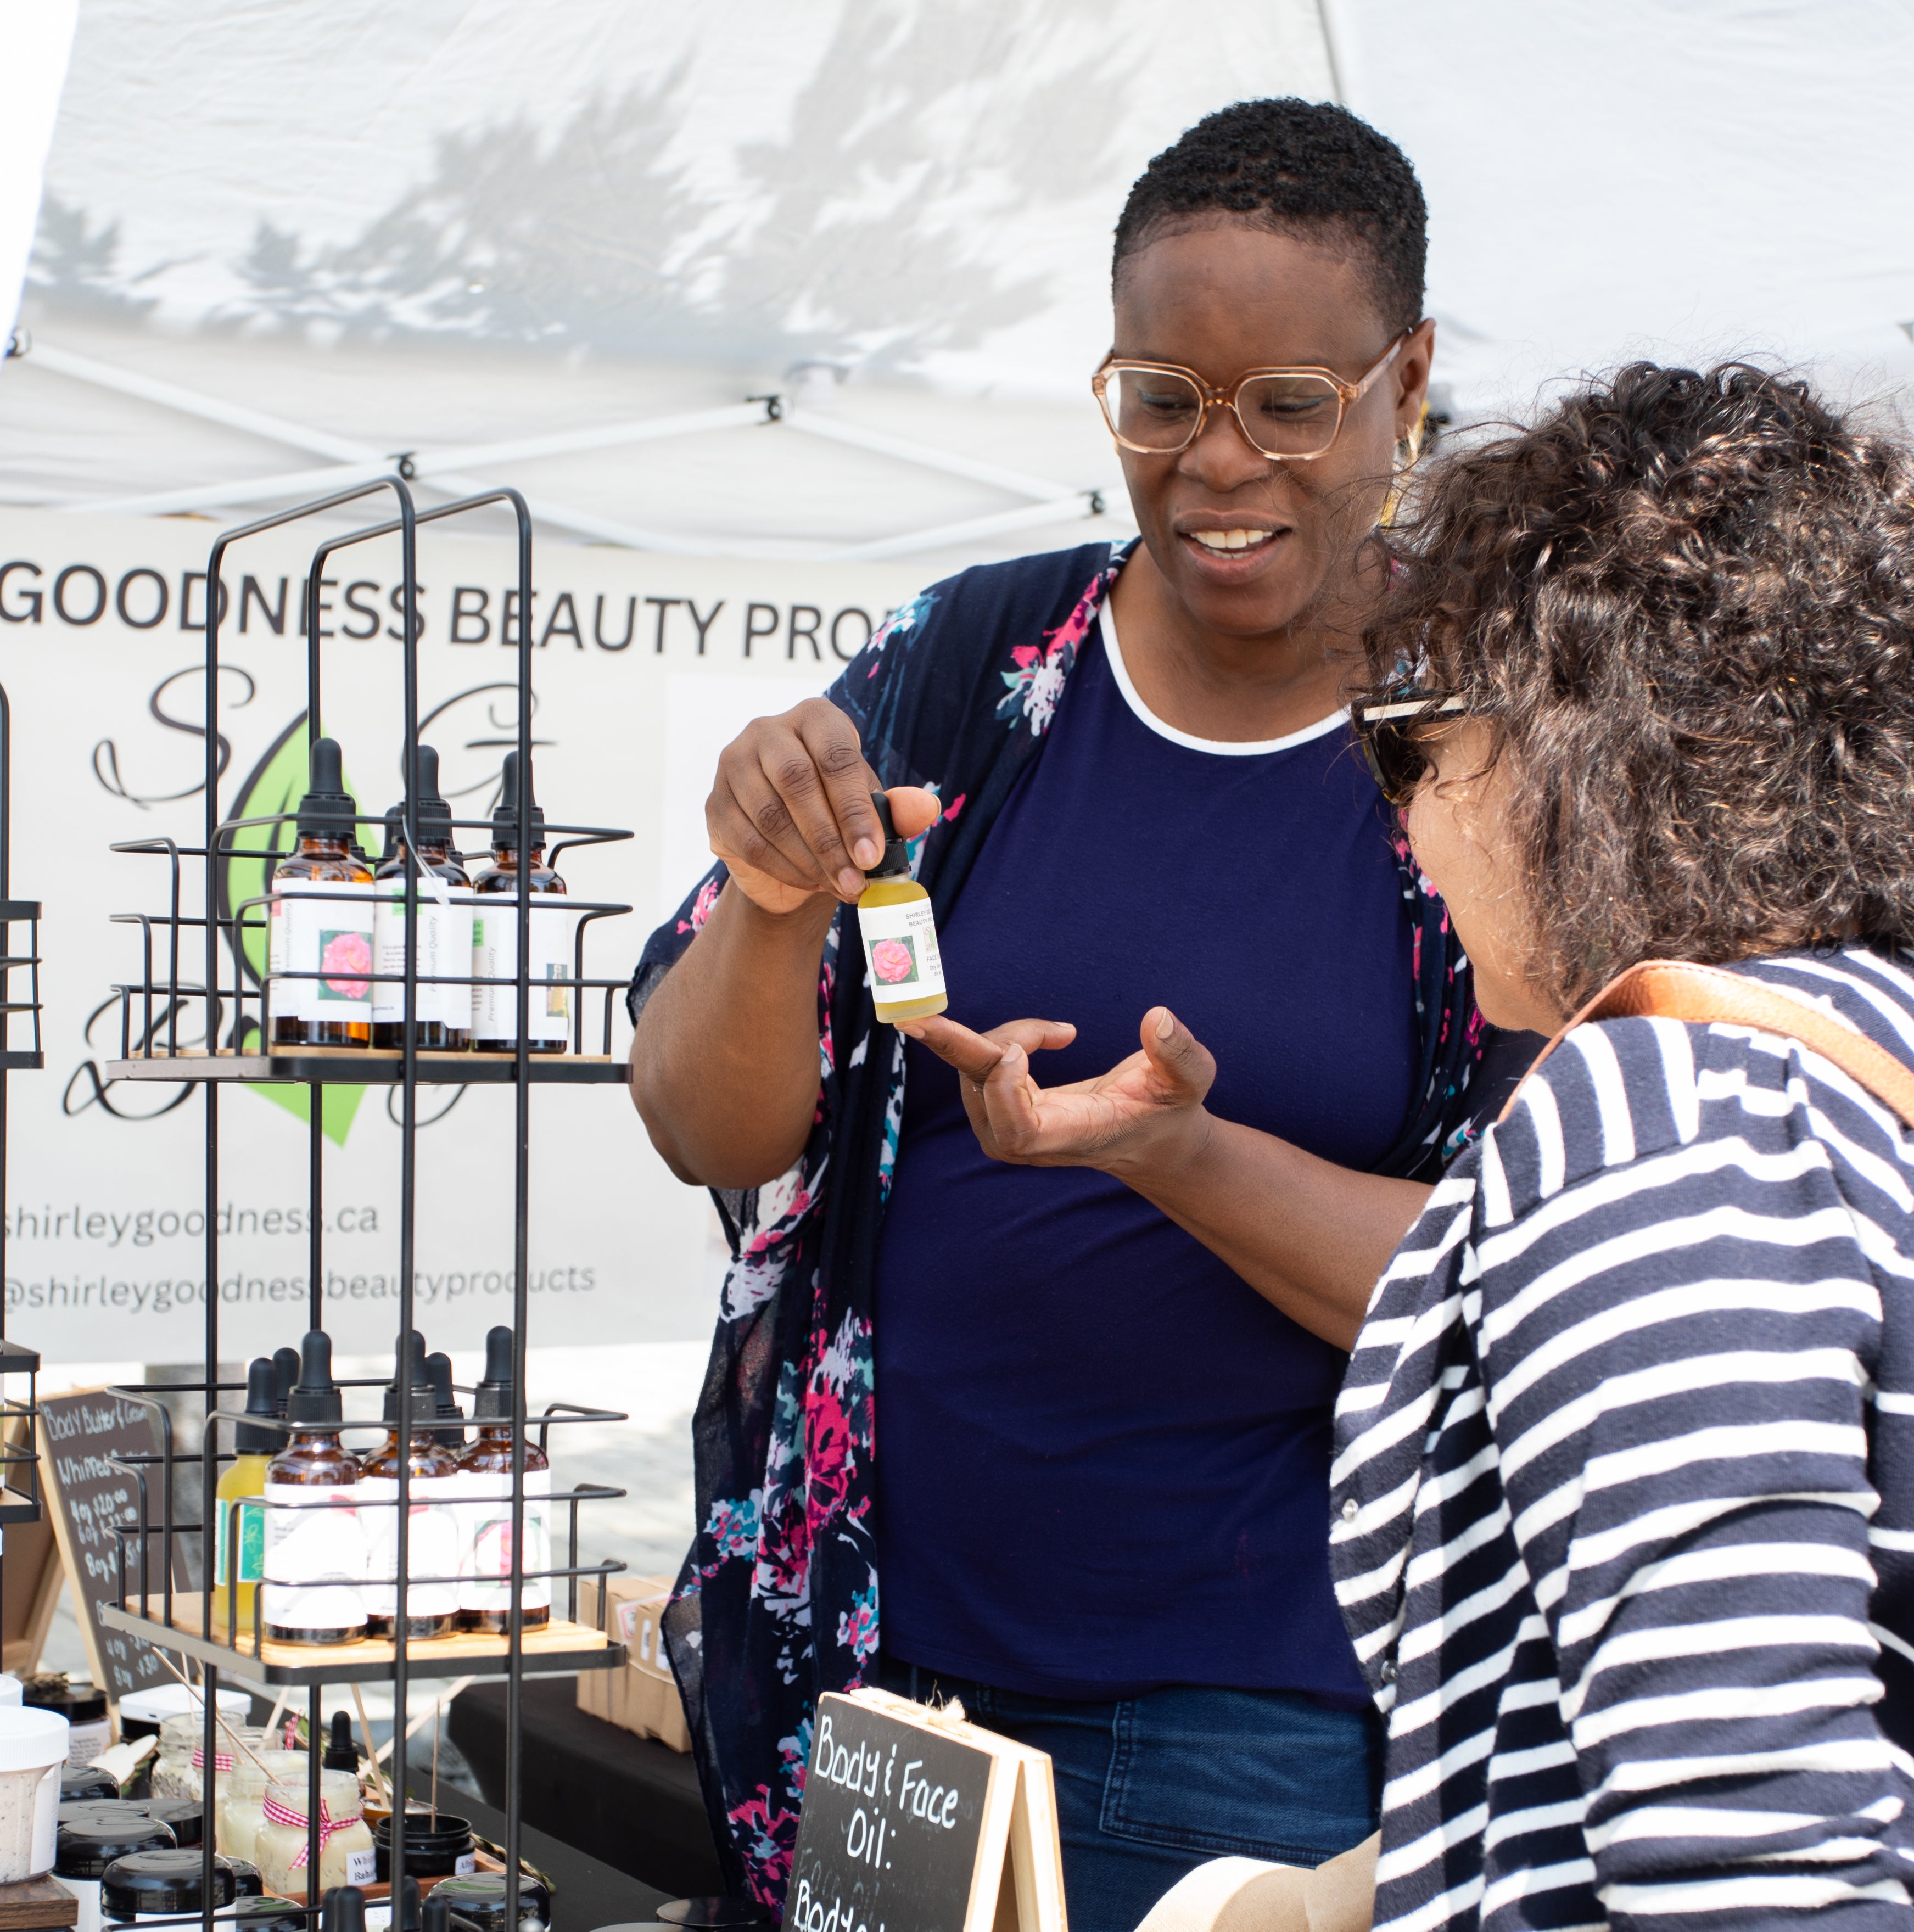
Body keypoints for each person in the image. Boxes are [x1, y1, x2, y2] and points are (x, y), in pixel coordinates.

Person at [627, 100, 1532, 1928]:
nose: (1217, 467)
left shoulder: (1491, 757)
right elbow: (707, 1128)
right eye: (1161, 401)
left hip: (1244, 1711)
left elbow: (1533, 1280)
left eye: (1291, 403)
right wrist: (774, 910)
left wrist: (1178, 1153)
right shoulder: (976, 669)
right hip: (873, 1670)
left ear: (1408, 378)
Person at [1334, 363, 1914, 1932]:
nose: (1406, 816)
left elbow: (1747, 1849)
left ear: (1586, 741)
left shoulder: (1667, 1104)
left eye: (1419, 738)